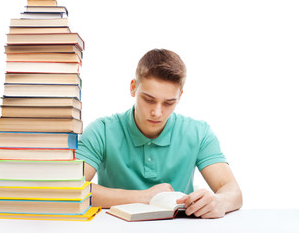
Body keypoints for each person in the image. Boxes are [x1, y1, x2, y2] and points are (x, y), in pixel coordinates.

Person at [76, 49, 242, 218]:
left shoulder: (199, 133)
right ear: (133, 88)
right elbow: (72, 187)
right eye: (149, 100)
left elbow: (233, 191)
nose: (157, 112)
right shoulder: (101, 131)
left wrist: (218, 201)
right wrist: (144, 197)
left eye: (169, 103)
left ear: (180, 97)